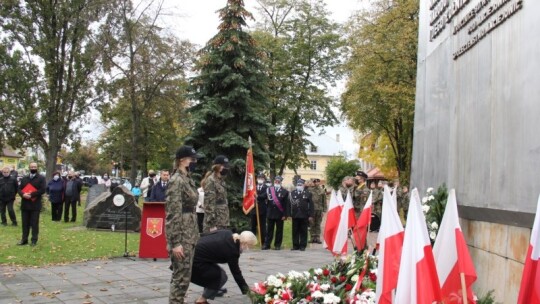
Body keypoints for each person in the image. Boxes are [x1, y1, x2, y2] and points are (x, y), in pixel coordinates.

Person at [166, 145, 201, 304]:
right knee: (181, 278)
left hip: (190, 233)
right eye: (192, 159)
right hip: (181, 236)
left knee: (184, 277)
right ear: (182, 160)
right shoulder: (176, 180)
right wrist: (175, 243)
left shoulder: (187, 178)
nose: (195, 162)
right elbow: (173, 213)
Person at [191, 230, 257, 304]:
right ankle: (201, 300)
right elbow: (236, 274)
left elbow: (206, 234)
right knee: (221, 277)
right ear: (245, 244)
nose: (248, 249)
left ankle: (208, 293)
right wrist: (248, 292)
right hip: (195, 262)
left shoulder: (228, 233)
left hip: (193, 250)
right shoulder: (233, 250)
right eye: (250, 246)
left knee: (217, 272)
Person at [17, 162, 46, 246]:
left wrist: (31, 195)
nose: (33, 168)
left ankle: (34, 240)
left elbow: (42, 190)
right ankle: (24, 239)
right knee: (24, 223)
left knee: (34, 223)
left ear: (37, 168)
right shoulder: (24, 178)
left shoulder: (41, 178)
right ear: (29, 168)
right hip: (25, 204)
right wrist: (23, 194)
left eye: (35, 167)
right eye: (32, 167)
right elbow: (19, 189)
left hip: (35, 205)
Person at [203, 155, 230, 232]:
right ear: (218, 167)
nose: (226, 168)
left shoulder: (221, 180)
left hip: (223, 219)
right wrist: (212, 224)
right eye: (224, 166)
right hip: (215, 221)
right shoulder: (211, 180)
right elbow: (209, 203)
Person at [263, 176, 289, 250]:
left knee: (279, 230)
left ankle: (277, 245)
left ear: (281, 182)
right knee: (269, 230)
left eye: (278, 181)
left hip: (280, 214)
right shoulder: (269, 190)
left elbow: (286, 204)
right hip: (270, 213)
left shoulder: (285, 192)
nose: (277, 183)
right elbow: (264, 197)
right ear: (274, 181)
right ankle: (267, 244)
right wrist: (257, 196)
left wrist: (285, 215)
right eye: (276, 181)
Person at [287, 179, 313, 251]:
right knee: (295, 231)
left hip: (304, 215)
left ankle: (302, 246)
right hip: (295, 215)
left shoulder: (308, 193)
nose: (299, 186)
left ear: (303, 185)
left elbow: (311, 205)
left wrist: (311, 215)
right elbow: (289, 205)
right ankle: (295, 245)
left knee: (303, 231)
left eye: (300, 185)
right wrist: (289, 215)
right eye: (298, 185)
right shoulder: (292, 193)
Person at [251, 173, 267, 247]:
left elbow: (265, 195)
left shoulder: (266, 187)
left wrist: (258, 196)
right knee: (253, 226)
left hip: (262, 209)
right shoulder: (253, 187)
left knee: (262, 226)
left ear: (264, 179)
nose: (260, 179)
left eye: (261, 178)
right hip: (254, 209)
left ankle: (263, 242)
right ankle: (252, 242)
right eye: (259, 178)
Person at [308, 178, 326, 244]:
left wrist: (324, 210)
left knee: (318, 224)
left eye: (318, 182)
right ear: (314, 183)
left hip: (319, 209)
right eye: (316, 182)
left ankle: (317, 237)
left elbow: (324, 201)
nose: (317, 184)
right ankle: (312, 237)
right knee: (312, 223)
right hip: (312, 210)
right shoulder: (309, 190)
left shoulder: (322, 191)